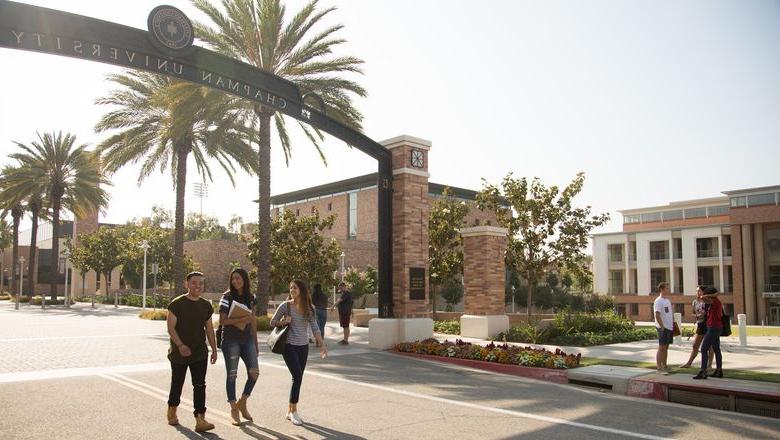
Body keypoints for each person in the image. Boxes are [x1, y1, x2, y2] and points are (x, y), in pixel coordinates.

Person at [270, 280, 327, 426]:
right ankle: (294, 411)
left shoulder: (309, 308)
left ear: (301, 290)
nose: (292, 290)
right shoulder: (286, 306)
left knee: (298, 378)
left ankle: (290, 410)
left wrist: (321, 344)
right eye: (290, 288)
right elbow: (272, 322)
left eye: (295, 287)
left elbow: (315, 326)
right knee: (297, 376)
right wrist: (284, 322)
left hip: (303, 346)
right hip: (289, 346)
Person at [166, 271, 217, 432]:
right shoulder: (177, 303)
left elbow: (209, 329)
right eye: (194, 282)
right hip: (178, 352)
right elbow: (170, 327)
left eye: (201, 283)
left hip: (199, 352)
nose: (198, 286)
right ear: (186, 284)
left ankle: (200, 419)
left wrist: (214, 349)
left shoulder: (206, 305)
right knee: (177, 383)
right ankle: (172, 410)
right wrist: (180, 345)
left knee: (200, 385)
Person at [218, 268, 258, 425]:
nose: (235, 281)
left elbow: (252, 320)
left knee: (254, 373)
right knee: (232, 375)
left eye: (238, 278)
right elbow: (222, 321)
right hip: (230, 340)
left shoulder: (251, 297)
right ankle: (234, 409)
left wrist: (255, 343)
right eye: (233, 279)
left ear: (244, 279)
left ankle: (243, 401)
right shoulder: (226, 297)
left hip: (247, 339)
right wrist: (241, 318)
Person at [680, 286, 714, 369]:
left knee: (709, 346)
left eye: (699, 291)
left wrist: (705, 314)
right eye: (697, 291)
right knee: (695, 345)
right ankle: (689, 363)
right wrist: (697, 315)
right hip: (700, 324)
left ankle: (709, 365)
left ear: (704, 292)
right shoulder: (695, 302)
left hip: (708, 325)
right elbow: (692, 313)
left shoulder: (707, 301)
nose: (698, 293)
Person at [694, 286, 724, 379]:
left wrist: (712, 295)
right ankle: (719, 371)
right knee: (716, 349)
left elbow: (703, 298)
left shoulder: (714, 301)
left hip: (713, 328)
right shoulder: (715, 302)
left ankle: (703, 371)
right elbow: (703, 299)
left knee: (703, 349)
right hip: (716, 327)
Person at [653, 282, 674, 374]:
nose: (668, 290)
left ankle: (665, 365)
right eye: (666, 288)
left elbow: (669, 314)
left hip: (669, 327)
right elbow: (657, 315)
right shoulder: (658, 301)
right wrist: (662, 327)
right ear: (661, 289)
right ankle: (659, 366)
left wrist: (673, 325)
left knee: (666, 347)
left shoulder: (667, 301)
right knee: (661, 347)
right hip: (662, 328)